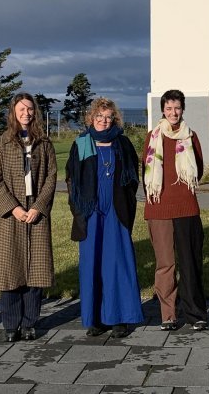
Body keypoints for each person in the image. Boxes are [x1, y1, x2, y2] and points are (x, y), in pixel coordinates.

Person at [66, 97, 144, 338]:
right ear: (92, 117)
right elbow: (72, 180)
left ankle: (119, 316)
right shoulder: (81, 143)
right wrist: (79, 209)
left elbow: (132, 177)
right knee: (93, 263)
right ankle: (96, 318)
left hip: (116, 210)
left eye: (108, 117)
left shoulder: (122, 143)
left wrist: (126, 203)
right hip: (90, 212)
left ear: (114, 119)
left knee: (117, 262)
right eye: (99, 116)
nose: (103, 120)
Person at [0, 93, 57, 341]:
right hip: (11, 213)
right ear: (13, 112)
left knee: (35, 270)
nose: (26, 113)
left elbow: (51, 178)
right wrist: (14, 208)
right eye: (21, 109)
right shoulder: (1, 143)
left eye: (30, 109)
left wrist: (38, 207)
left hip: (36, 211)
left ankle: (30, 323)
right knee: (11, 269)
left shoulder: (44, 143)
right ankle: (10, 324)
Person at [142, 89, 207, 331]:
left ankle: (195, 314)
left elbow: (197, 170)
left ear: (182, 109)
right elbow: (146, 173)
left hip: (186, 207)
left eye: (177, 108)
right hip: (159, 209)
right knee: (165, 263)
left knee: (189, 262)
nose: (173, 112)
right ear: (162, 110)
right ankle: (168, 314)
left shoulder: (191, 137)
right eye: (168, 108)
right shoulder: (152, 137)